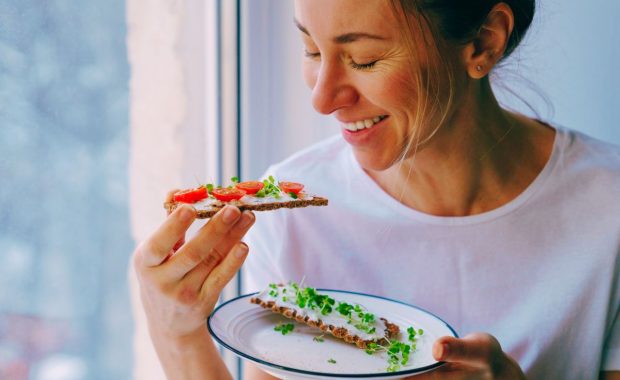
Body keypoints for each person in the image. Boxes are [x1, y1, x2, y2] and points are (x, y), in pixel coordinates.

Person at [132, 0, 620, 379]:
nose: (322, 99)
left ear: (482, 42)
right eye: (311, 51)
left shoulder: (608, 209)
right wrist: (176, 331)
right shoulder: (295, 222)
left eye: (364, 60)